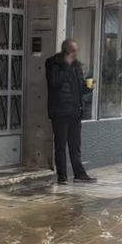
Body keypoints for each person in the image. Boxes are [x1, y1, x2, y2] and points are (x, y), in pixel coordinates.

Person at [45, 39, 97, 185]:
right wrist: (66, 66)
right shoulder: (53, 64)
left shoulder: (76, 66)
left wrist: (89, 87)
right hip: (60, 111)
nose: (75, 54)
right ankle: (62, 176)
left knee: (75, 146)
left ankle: (79, 174)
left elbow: (79, 88)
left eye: (76, 51)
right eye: (73, 51)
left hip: (75, 111)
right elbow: (54, 83)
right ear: (66, 51)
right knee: (60, 145)